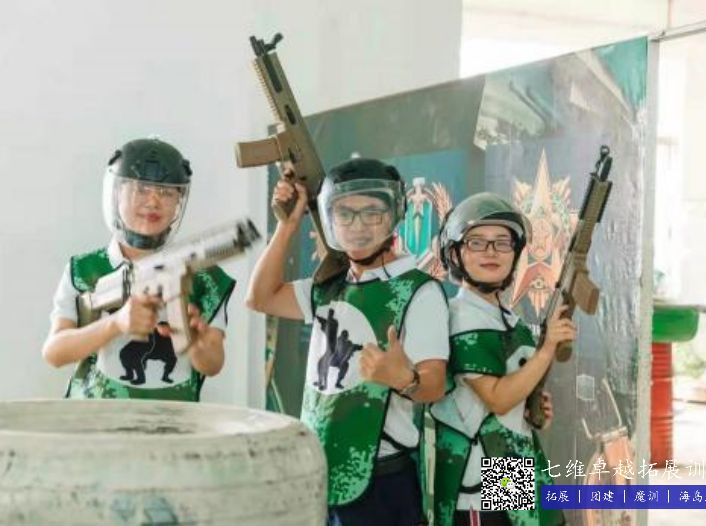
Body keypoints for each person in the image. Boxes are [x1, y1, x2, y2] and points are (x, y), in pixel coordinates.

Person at [247, 158, 449, 525]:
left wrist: (403, 379)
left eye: (372, 213)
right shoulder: (331, 286)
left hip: (402, 473)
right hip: (325, 466)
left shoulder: (423, 293)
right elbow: (260, 297)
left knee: (519, 513)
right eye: (344, 214)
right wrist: (287, 225)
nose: (357, 226)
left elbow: (453, 389)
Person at [42, 137, 234, 400]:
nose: (153, 201)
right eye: (141, 189)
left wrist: (193, 341)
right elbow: (54, 353)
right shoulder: (84, 270)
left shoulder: (205, 278)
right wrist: (116, 324)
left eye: (166, 192)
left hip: (174, 421)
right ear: (117, 193)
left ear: (179, 201)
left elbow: (213, 365)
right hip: (93, 421)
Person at [431, 192, 570, 526]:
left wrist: (533, 406)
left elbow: (512, 398)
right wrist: (547, 349)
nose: (491, 252)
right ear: (455, 253)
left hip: (508, 462)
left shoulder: (506, 318)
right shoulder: (461, 316)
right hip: (477, 473)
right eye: (477, 242)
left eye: (502, 242)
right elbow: (498, 398)